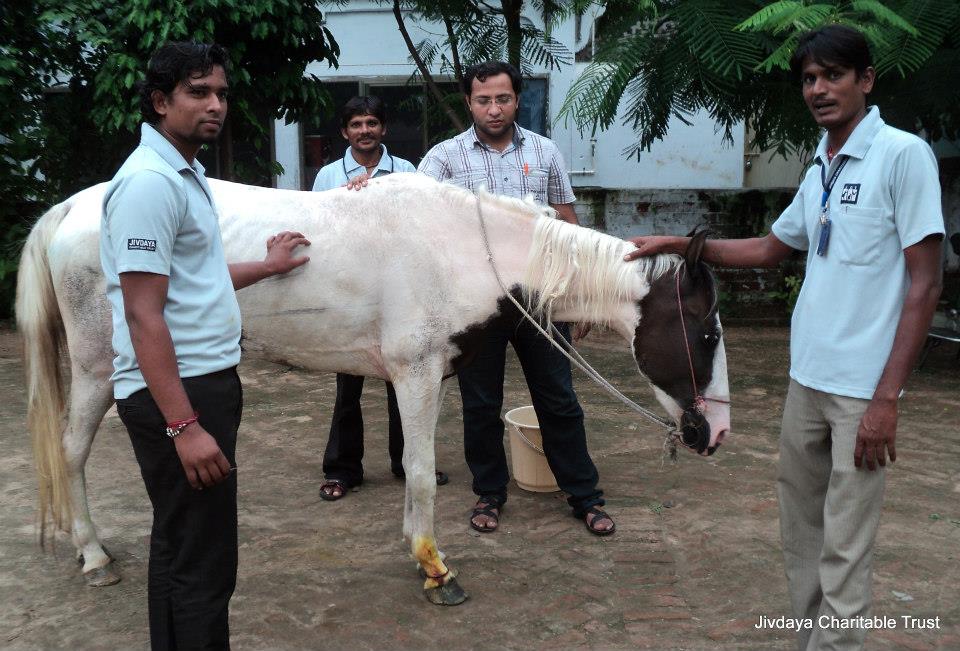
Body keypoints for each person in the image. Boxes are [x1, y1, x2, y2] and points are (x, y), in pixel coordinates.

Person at [627, 25, 943, 651]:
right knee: (802, 537)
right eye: (808, 78)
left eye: (832, 75)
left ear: (866, 80)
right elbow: (773, 247)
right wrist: (676, 244)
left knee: (845, 548)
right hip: (807, 382)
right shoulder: (822, 162)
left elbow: (925, 284)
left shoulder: (902, 156)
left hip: (861, 393)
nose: (819, 89)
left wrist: (886, 400)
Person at [100, 42, 310, 650]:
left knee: (180, 545)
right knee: (206, 563)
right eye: (198, 92)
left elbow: (197, 277)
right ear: (161, 101)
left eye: (220, 92)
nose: (215, 104)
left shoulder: (183, 175)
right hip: (180, 392)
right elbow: (144, 315)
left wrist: (266, 268)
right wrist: (184, 425)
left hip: (196, 384)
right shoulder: (148, 184)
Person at [418, 61, 615, 536]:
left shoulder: (544, 152)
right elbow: (414, 214)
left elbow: (568, 223)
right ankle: (489, 493)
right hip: (475, 304)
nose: (494, 108)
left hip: (541, 298)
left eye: (503, 99)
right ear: (468, 102)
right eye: (483, 100)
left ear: (517, 100)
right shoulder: (445, 158)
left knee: (559, 399)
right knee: (480, 404)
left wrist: (584, 291)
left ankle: (584, 495)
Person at [311, 96, 447, 500]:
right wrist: (349, 199)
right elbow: (319, 231)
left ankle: (408, 464)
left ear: (382, 128)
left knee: (404, 382)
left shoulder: (406, 171)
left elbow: (421, 230)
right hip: (349, 293)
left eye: (372, 122)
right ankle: (341, 470)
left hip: (400, 292)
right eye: (356, 124)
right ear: (344, 131)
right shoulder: (327, 176)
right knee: (347, 385)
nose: (364, 130)